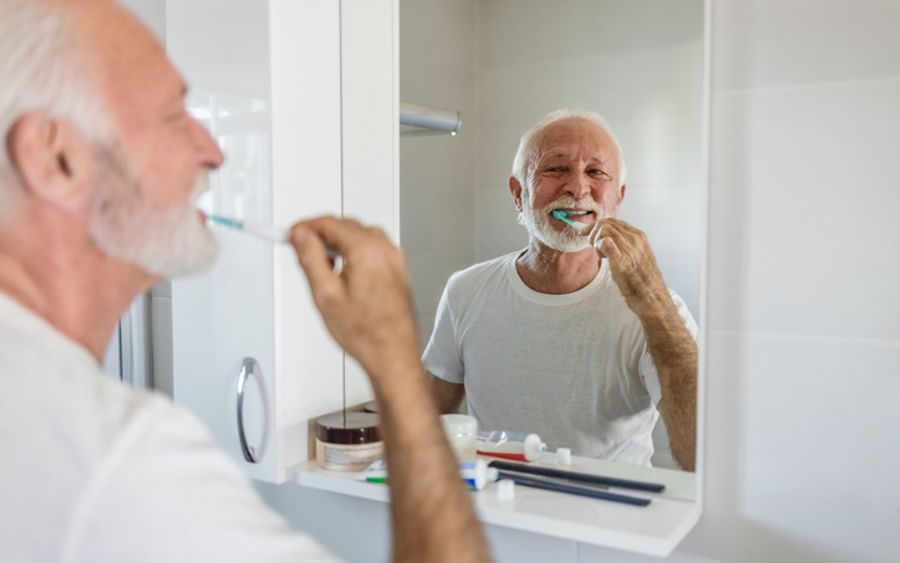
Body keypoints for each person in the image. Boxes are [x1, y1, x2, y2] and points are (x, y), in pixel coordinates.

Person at [0, 1, 490, 562]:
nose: (213, 151)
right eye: (171, 116)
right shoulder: (113, 461)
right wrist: (396, 367)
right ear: (55, 158)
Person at [424, 109, 698, 470]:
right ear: (518, 193)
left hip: (613, 517)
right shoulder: (466, 291)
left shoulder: (661, 310)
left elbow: (700, 457)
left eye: (596, 172)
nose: (577, 188)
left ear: (618, 198)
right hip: (497, 511)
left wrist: (652, 300)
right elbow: (424, 418)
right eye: (555, 169)